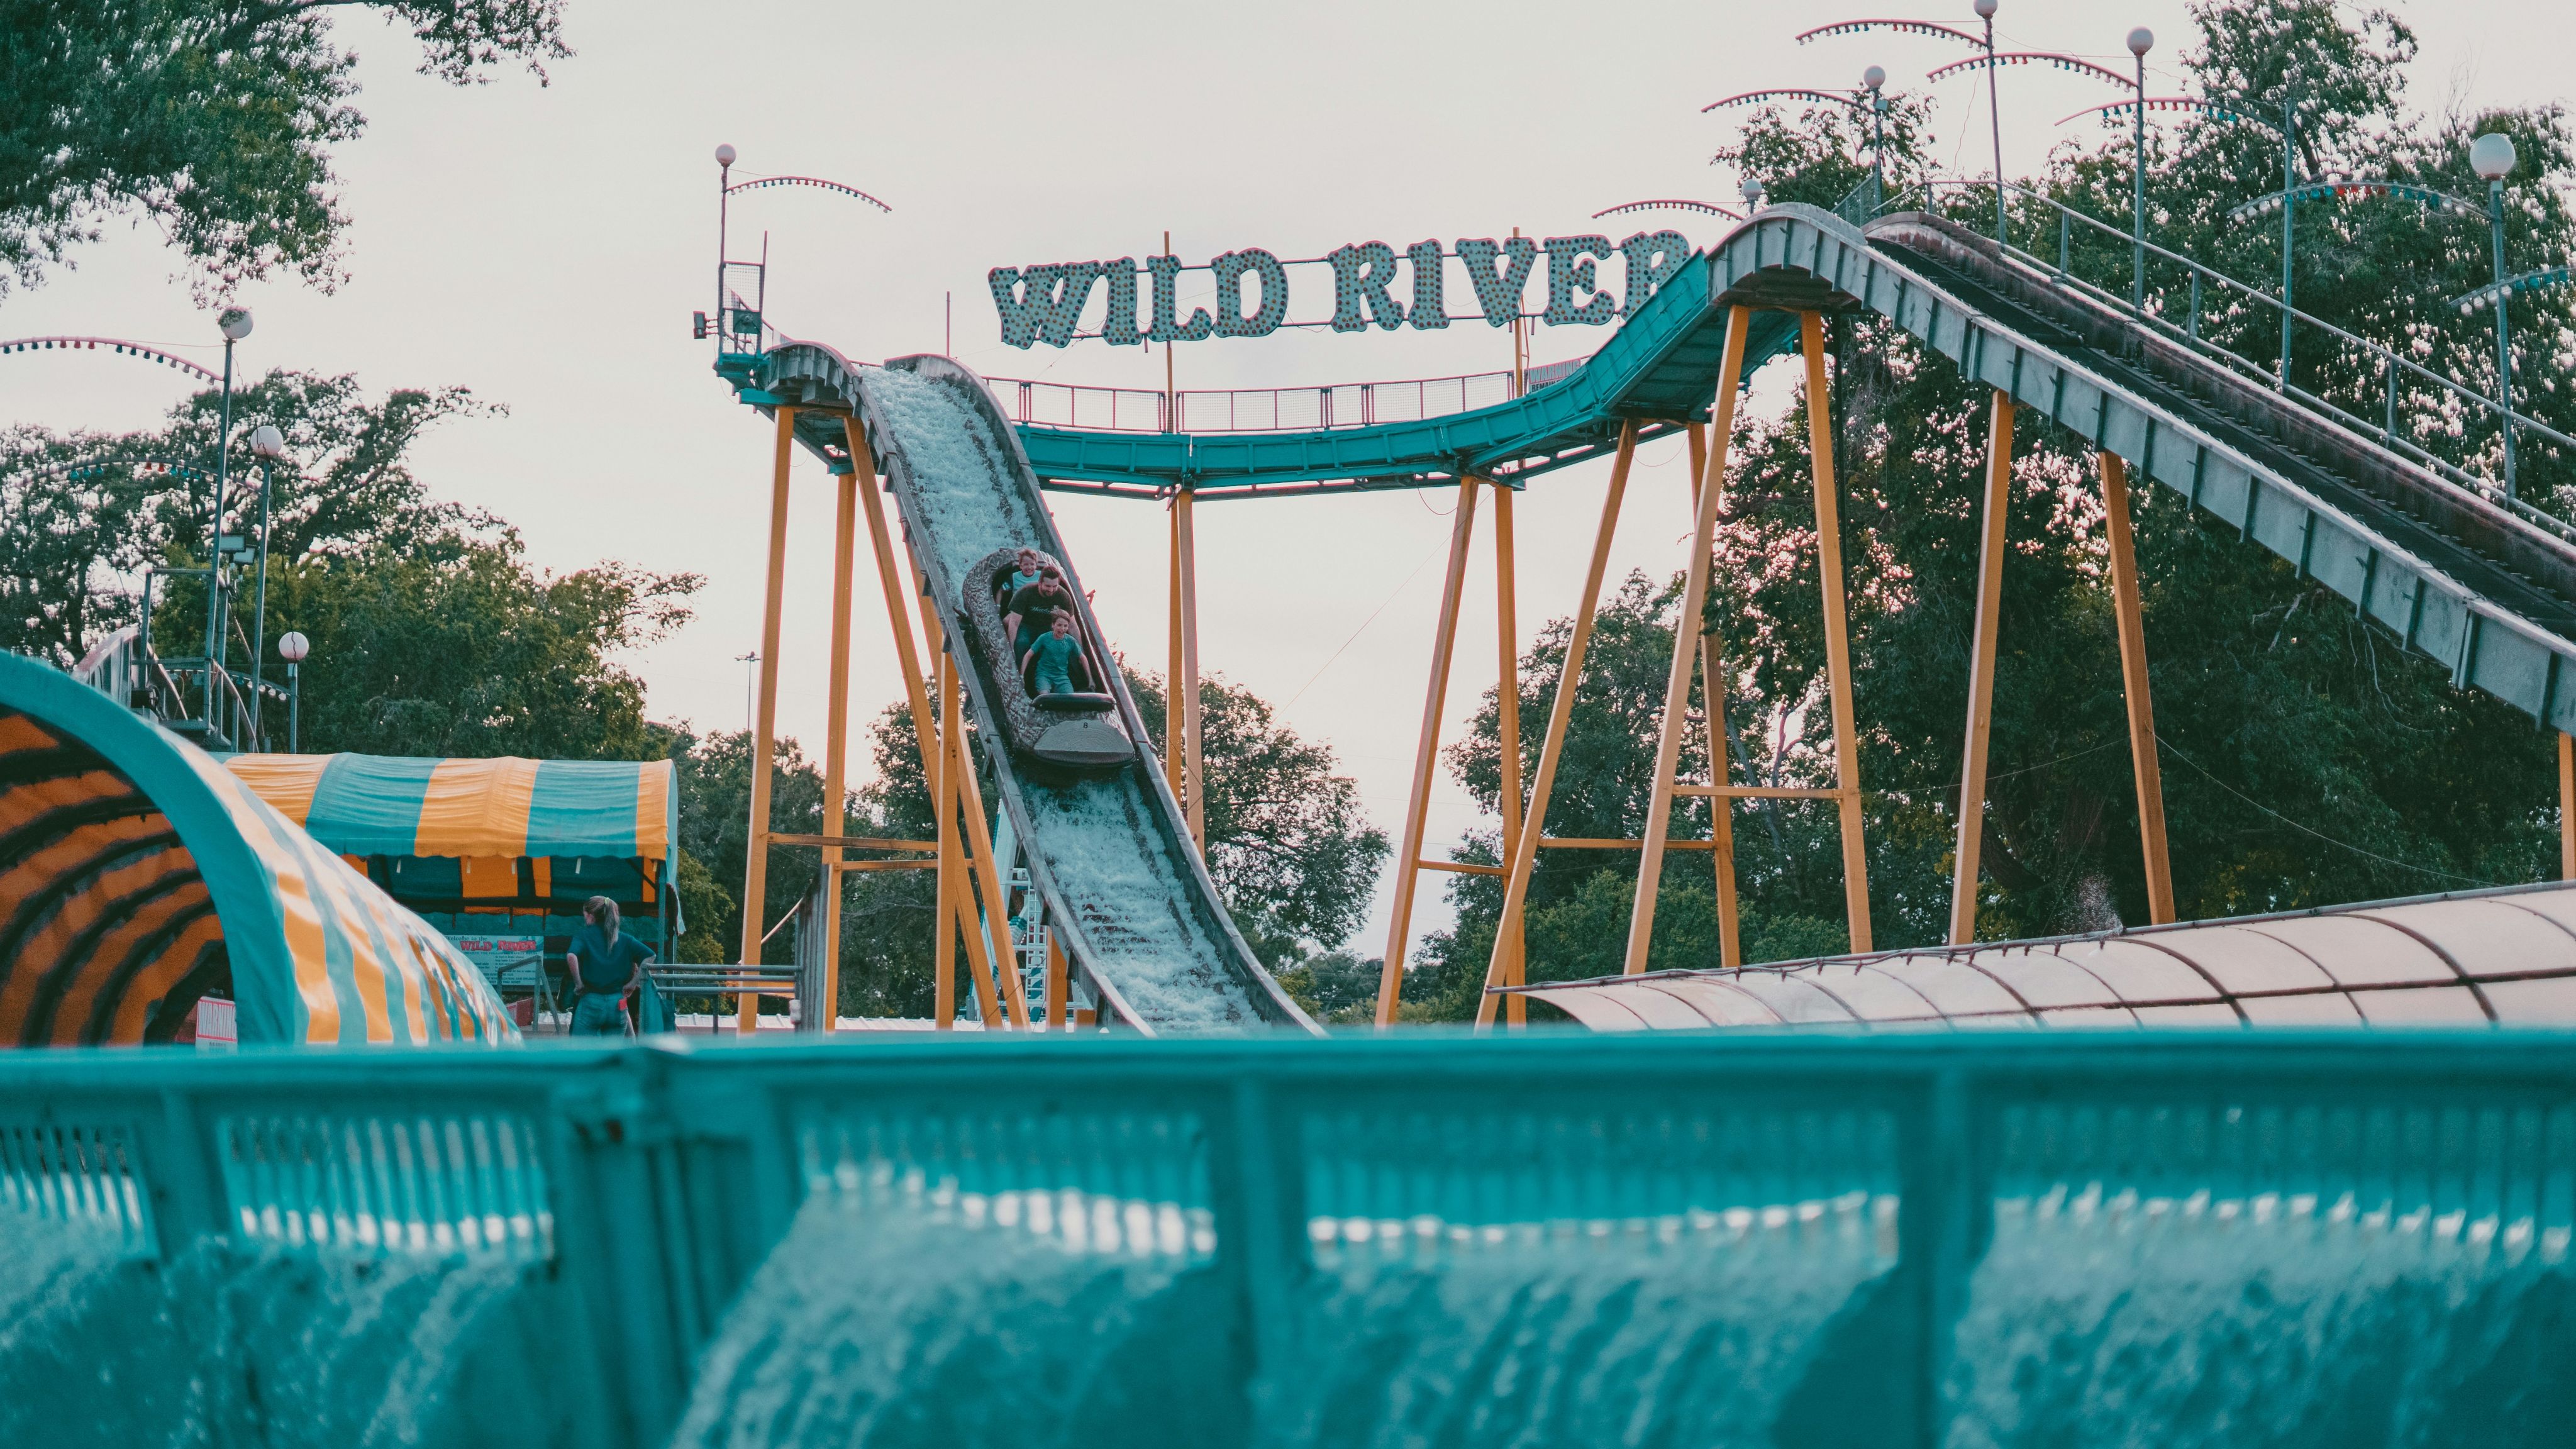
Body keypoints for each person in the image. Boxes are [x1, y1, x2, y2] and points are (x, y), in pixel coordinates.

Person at [564, 896, 652, 1036]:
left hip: (591, 1000)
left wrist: (579, 983)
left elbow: (571, 956)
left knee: (581, 1052)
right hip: (618, 1003)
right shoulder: (625, 938)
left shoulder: (584, 936)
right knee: (612, 1052)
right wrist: (633, 984)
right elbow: (650, 956)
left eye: (585, 916)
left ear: (591, 915)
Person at [1005, 575, 1074, 666]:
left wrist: (1081, 650)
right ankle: (1019, 670)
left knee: (1053, 648)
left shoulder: (1063, 596)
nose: (1051, 590)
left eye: (1054, 586)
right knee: (1022, 643)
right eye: (1048, 586)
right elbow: (1014, 623)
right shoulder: (1026, 591)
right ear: (1040, 583)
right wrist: (1011, 648)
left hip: (1047, 627)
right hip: (1026, 625)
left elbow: (1073, 626)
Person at [1021, 609, 1087, 697]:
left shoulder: (1070, 641)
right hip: (1044, 674)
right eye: (1059, 625)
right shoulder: (1044, 638)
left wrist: (1091, 680)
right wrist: (1022, 676)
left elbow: (1083, 658)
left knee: (1070, 698)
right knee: (1044, 697)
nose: (1062, 629)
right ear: (1053, 625)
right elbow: (1028, 655)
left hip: (1061, 676)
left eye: (1065, 626)